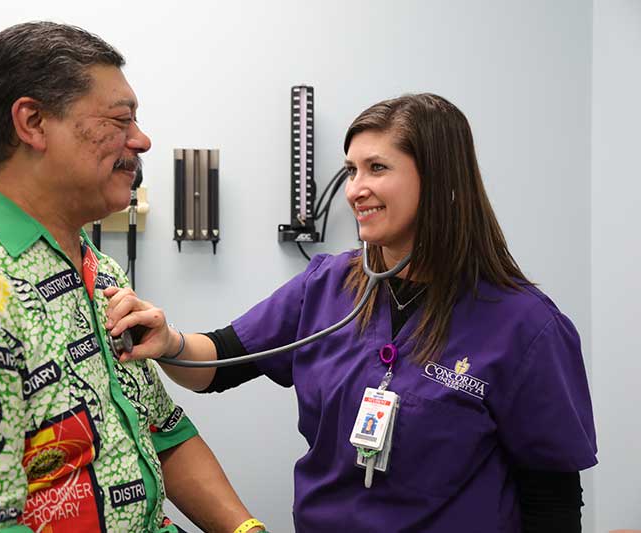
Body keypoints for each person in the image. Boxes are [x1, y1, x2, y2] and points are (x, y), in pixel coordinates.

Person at [104, 94, 598, 532]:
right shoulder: (328, 284)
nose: (354, 189)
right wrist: (168, 341)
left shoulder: (524, 326)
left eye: (377, 169)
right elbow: (218, 364)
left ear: (442, 181)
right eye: (351, 170)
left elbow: (551, 499)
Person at [0, 21, 268, 533]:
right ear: (34, 123)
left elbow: (163, 433)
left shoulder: (98, 272)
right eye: (120, 120)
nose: (143, 140)